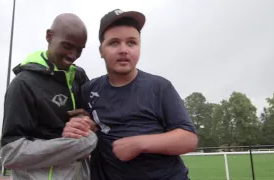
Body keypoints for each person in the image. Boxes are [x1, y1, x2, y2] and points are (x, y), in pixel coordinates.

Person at [63, 9, 198, 180]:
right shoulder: (88, 90)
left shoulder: (159, 87)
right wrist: (77, 127)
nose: (123, 50)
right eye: (114, 43)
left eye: (131, 43)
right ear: (101, 51)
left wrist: (139, 144)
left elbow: (189, 139)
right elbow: (84, 127)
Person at [0, 13, 98, 180]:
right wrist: (77, 144)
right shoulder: (23, 84)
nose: (73, 55)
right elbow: (10, 154)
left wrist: (86, 123)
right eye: (67, 46)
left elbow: (95, 123)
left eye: (79, 49)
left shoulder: (79, 76)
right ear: (49, 36)